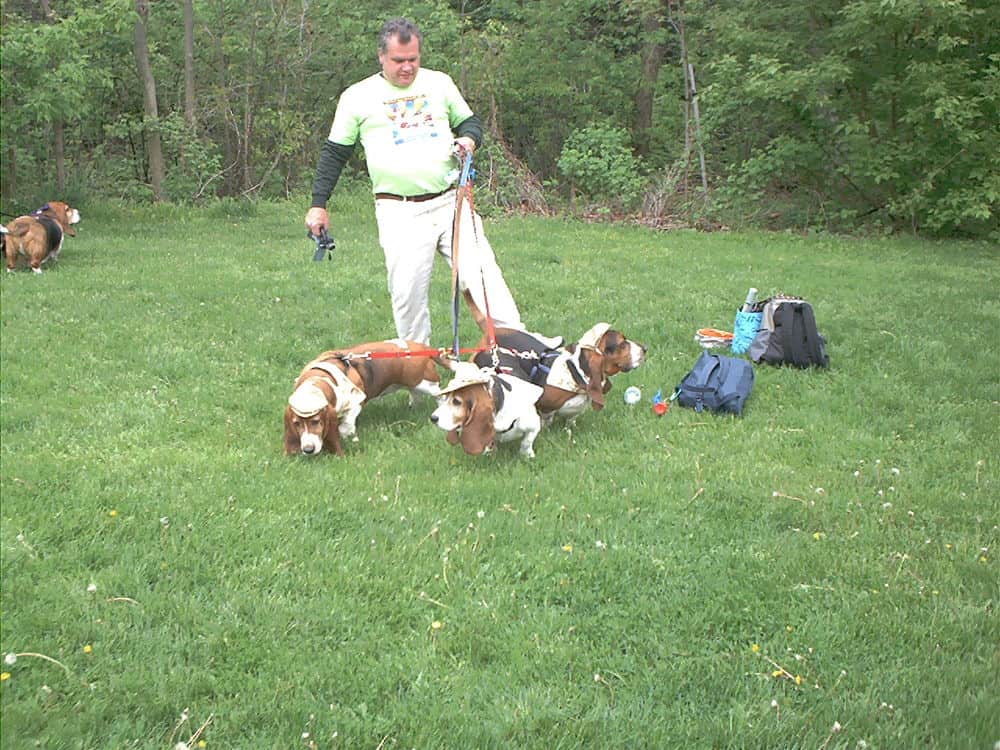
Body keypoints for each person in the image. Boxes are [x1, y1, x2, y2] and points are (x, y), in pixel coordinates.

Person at [305, 17, 523, 346]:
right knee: (408, 296)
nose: (407, 68)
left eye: (413, 60)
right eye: (398, 61)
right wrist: (318, 205)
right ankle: (418, 374)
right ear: (381, 56)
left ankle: (517, 356)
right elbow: (334, 153)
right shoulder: (357, 97)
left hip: (452, 202)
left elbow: (470, 122)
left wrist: (468, 140)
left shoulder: (440, 83)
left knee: (484, 279)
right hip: (399, 211)